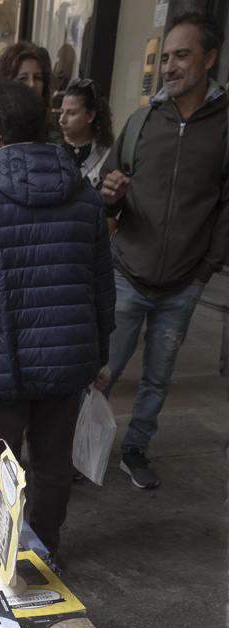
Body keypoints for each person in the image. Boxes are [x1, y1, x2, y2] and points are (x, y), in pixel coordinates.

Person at [0, 82, 115, 559]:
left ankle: (1, 557)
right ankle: (46, 549)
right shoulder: (85, 194)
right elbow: (101, 284)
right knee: (53, 467)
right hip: (69, 359)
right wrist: (99, 354)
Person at [100, 11, 229, 490]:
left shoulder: (223, 128)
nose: (169, 66)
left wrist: (204, 274)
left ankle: (135, 449)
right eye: (167, 56)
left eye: (182, 56)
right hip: (127, 274)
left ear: (209, 58)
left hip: (182, 285)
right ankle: (78, 449)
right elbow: (106, 192)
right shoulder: (142, 121)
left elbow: (226, 210)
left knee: (158, 379)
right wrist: (110, 192)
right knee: (102, 372)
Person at [59, 78, 114, 185]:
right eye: (61, 112)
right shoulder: (51, 147)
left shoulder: (105, 155)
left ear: (90, 116)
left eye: (71, 113)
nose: (62, 120)